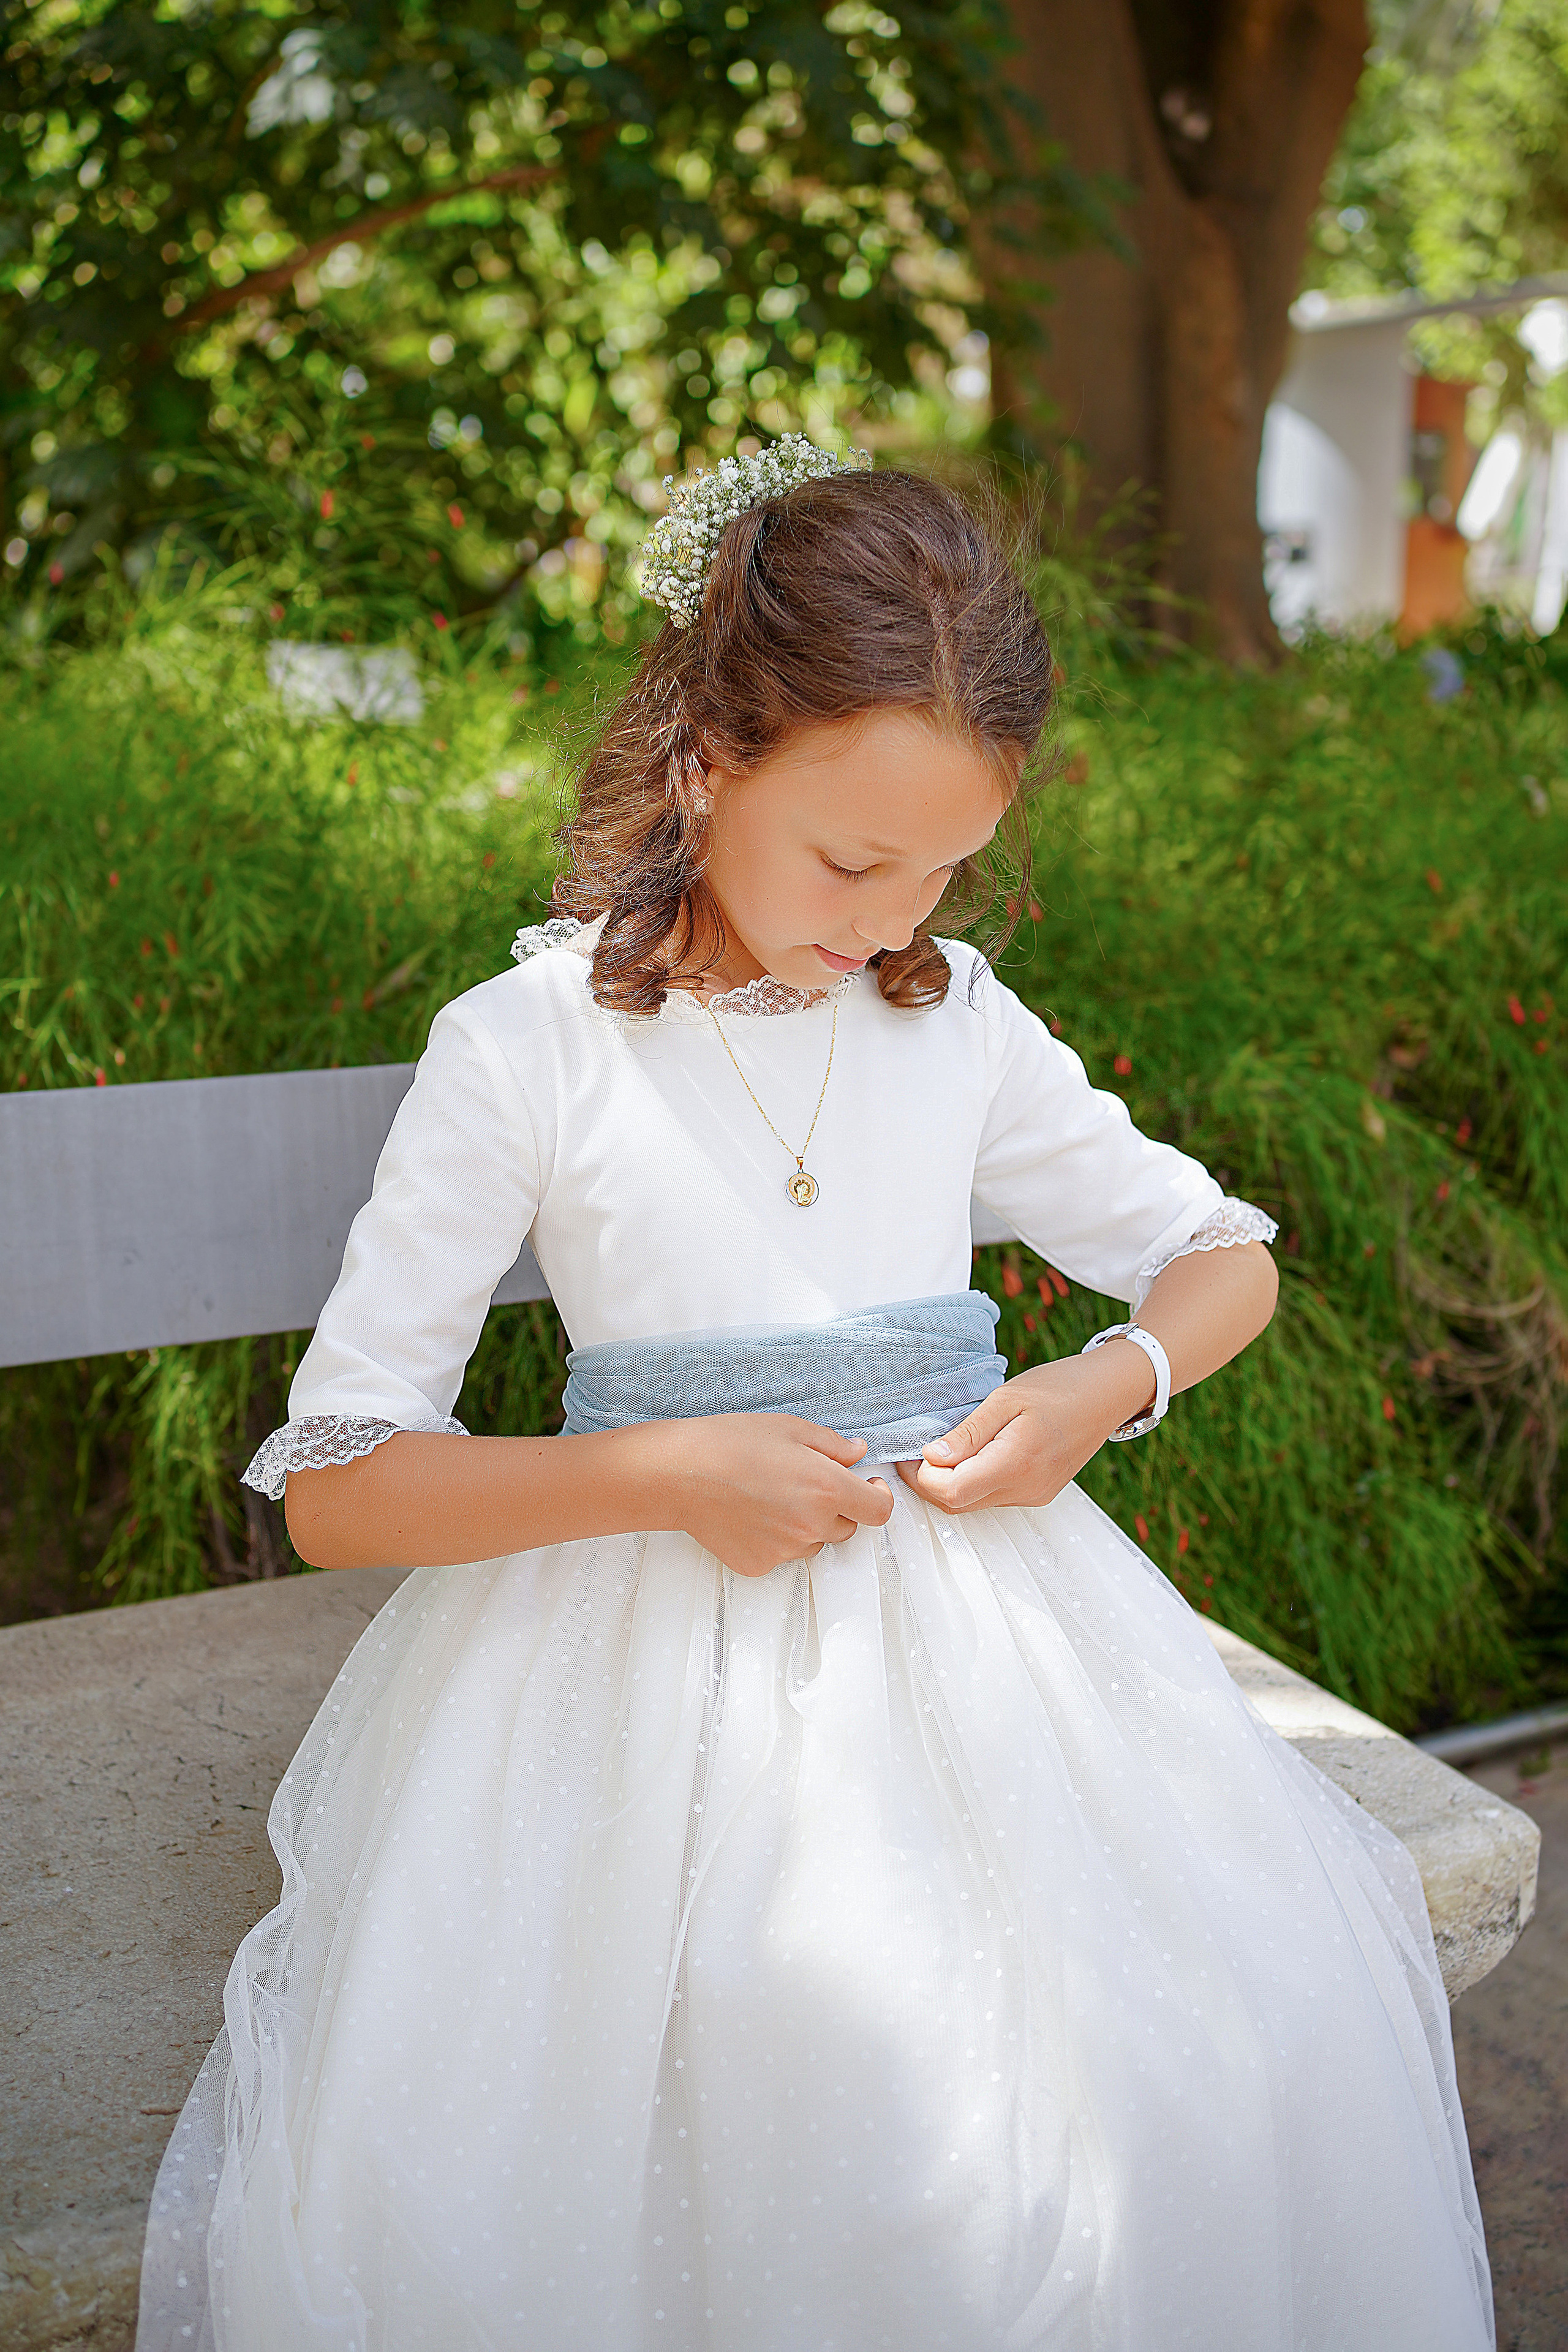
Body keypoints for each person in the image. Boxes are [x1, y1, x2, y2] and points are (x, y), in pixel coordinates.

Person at [138, 440, 1493, 2352]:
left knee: (1142, 2073)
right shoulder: (529, 1050)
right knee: (733, 2080)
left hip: (991, 1671)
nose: (891, 917)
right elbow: (343, 1485)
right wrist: (662, 1466)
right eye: (855, 859)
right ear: (707, 756)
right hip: (622, 1690)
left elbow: (1225, 1258)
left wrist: (1103, 1386)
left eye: (946, 864)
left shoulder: (955, 1027)